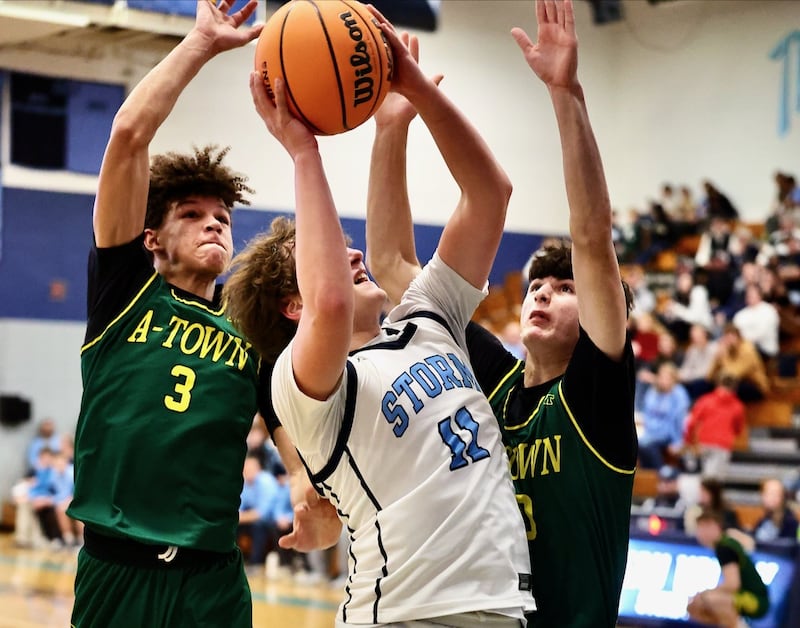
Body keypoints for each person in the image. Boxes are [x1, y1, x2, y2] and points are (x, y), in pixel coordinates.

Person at [223, 11, 534, 627]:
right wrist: (303, 151)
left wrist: (413, 93)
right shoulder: (302, 387)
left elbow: (490, 196)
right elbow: (333, 304)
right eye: (328, 255)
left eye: (346, 245)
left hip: (501, 605)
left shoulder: (428, 319)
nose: (353, 255)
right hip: (403, 613)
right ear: (294, 306)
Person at [64, 3, 339, 627]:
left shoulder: (252, 330)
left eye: (222, 216)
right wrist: (201, 43)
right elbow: (128, 136)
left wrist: (304, 487)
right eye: (191, 215)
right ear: (151, 239)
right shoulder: (125, 294)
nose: (213, 223)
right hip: (118, 566)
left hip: (213, 577)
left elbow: (282, 419)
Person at [364, 2, 636, 626]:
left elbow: (592, 234)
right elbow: (392, 266)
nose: (541, 293)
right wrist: (390, 131)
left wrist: (565, 93)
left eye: (564, 288)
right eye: (538, 285)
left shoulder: (594, 393)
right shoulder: (496, 381)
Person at [687, 509, 769, 627]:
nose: (700, 533)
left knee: (710, 600)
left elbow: (733, 584)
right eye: (699, 529)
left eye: (704, 528)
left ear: (716, 527)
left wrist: (704, 594)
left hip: (755, 600)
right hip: (746, 596)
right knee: (696, 605)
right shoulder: (724, 543)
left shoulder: (724, 548)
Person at [683, 374, 745, 480]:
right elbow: (738, 429)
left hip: (703, 443)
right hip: (722, 445)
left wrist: (688, 441)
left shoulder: (705, 400)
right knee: (714, 482)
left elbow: (691, 423)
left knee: (702, 478)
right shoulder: (737, 406)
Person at [637, 362, 690, 470]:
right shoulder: (653, 392)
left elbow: (679, 420)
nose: (663, 381)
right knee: (637, 444)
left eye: (667, 378)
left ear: (673, 380)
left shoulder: (679, 394)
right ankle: (651, 473)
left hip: (669, 434)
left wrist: (678, 442)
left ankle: (660, 471)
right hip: (650, 433)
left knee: (647, 446)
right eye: (661, 377)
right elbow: (647, 414)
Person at [750, 477, 799, 543]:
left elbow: (788, 545)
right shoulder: (765, 519)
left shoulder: (790, 523)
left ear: (783, 496)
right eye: (767, 493)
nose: (771, 497)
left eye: (775, 494)